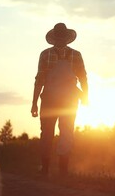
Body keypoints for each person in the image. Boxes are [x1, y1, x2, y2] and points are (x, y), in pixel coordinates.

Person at [31, 22, 88, 177]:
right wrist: (34, 102)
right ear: (57, 37)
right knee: (59, 132)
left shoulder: (47, 54)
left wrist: (35, 103)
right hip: (66, 100)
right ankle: (56, 170)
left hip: (54, 99)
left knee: (55, 132)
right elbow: (39, 80)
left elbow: (40, 80)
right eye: (59, 36)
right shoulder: (74, 55)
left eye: (62, 36)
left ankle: (50, 169)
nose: (61, 39)